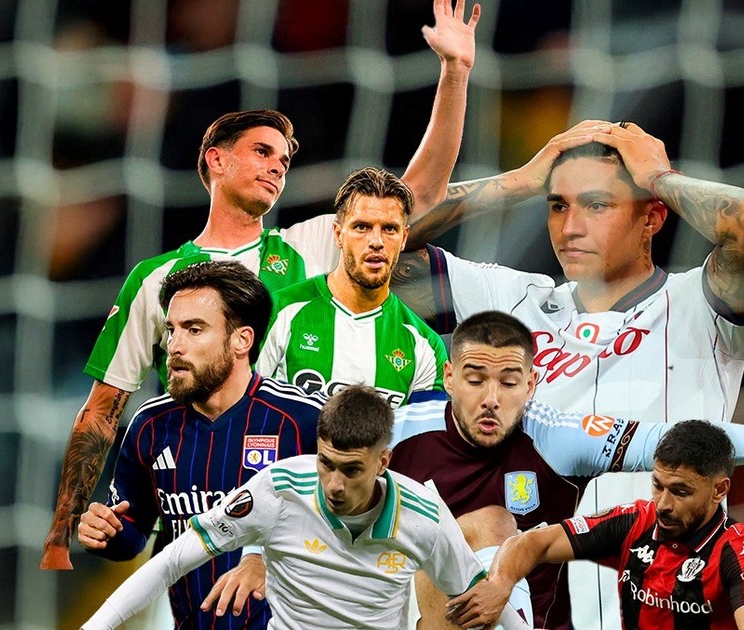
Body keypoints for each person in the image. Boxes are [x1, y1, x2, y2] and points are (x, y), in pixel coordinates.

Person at [42, 0, 482, 569]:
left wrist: (455, 73)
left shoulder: (309, 246)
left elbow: (416, 196)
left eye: (283, 159)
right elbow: (103, 409)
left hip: (307, 526)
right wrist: (60, 534)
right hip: (198, 523)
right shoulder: (155, 279)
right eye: (261, 152)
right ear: (215, 161)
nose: (276, 165)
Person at [207, 311, 744, 629]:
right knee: (471, 528)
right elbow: (302, 477)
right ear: (447, 377)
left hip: (535, 617)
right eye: (474, 379)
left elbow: (667, 441)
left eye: (508, 382)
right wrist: (259, 553)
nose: (490, 398)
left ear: (532, 383)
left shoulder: (557, 437)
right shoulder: (398, 429)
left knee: (497, 526)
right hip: (411, 616)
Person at [392, 120, 744, 626]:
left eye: (597, 205)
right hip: (531, 608)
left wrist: (658, 177)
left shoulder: (698, 306)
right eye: (558, 206)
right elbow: (383, 239)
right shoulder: (516, 301)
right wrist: (522, 181)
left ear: (651, 217)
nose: (570, 227)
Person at [81, 385, 530, 630]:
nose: (334, 485)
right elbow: (171, 562)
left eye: (351, 470)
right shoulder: (279, 489)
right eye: (326, 463)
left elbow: (483, 598)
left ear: (383, 462)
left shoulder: (423, 514)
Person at [77, 261, 331, 629]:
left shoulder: (303, 420)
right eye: (171, 330)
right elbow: (134, 531)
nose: (174, 346)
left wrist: (268, 560)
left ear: (241, 340)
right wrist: (107, 532)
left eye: (194, 329)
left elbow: (352, 526)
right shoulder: (150, 426)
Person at [446, 420, 744, 630]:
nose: (663, 504)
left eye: (680, 492)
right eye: (658, 486)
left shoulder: (736, 551)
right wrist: (500, 583)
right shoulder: (636, 523)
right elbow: (532, 542)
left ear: (719, 490)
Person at [256, 167, 448, 407]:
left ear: (404, 238)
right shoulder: (277, 311)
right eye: (362, 227)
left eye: (389, 229)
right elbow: (242, 410)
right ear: (338, 234)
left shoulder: (426, 345)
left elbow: (425, 429)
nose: (376, 242)